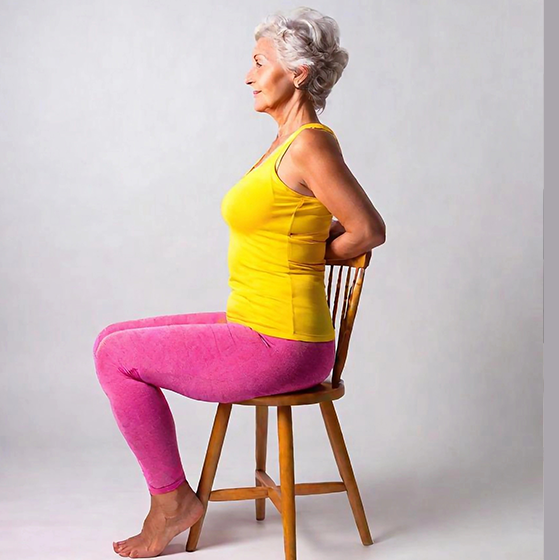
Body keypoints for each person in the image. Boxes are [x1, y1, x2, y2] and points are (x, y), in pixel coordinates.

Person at [94, 7, 386, 558]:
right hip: (254, 322)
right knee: (109, 338)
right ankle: (172, 497)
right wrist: (305, 248)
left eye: (258, 62)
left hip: (283, 341)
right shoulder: (284, 143)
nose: (248, 75)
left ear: (297, 73)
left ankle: (171, 502)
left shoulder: (310, 144)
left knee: (116, 358)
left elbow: (368, 230)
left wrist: (312, 256)